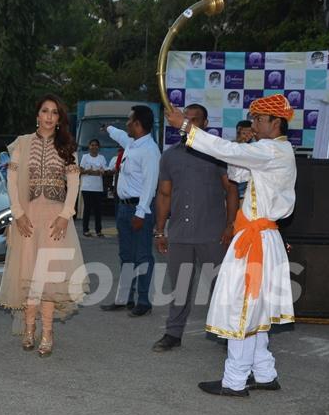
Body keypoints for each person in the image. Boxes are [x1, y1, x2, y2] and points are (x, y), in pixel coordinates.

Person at [165, 93, 297, 397]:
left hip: (256, 240)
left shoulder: (271, 151)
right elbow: (237, 173)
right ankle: (264, 372)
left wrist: (186, 126)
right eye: (252, 118)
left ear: (275, 122)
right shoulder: (269, 151)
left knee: (241, 307)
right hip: (260, 238)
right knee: (256, 311)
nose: (253, 123)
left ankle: (235, 380)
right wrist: (244, 147)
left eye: (258, 119)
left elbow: (224, 150)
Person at [0, 94, 88, 358]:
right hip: (26, 217)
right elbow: (12, 181)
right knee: (28, 275)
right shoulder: (21, 144)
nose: (49, 116)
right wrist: (18, 214)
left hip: (55, 221)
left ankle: (47, 332)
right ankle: (29, 328)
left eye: (54, 113)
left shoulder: (67, 147)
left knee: (49, 279)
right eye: (45, 111)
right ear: (37, 115)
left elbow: (73, 184)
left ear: (59, 119)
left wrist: (65, 215)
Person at [152, 104, 239, 352]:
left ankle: (227, 335)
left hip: (212, 232)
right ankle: (173, 333)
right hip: (179, 233)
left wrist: (230, 224)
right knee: (179, 286)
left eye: (195, 120)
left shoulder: (217, 153)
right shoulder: (169, 156)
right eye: (186, 119)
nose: (188, 123)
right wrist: (160, 230)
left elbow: (231, 189)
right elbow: (164, 194)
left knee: (219, 286)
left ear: (206, 123)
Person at [100, 105, 161, 317]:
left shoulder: (150, 151)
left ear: (137, 124)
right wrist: (108, 128)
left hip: (138, 209)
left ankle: (143, 301)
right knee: (126, 255)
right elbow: (119, 136)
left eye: (128, 121)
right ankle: (125, 298)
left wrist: (141, 213)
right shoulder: (132, 144)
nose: (125, 125)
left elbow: (150, 185)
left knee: (142, 255)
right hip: (124, 208)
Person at [79, 138, 107, 237]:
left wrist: (97, 172)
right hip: (86, 188)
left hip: (97, 188)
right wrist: (88, 171)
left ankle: (98, 230)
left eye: (96, 145)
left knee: (98, 210)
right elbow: (80, 171)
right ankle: (85, 230)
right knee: (87, 209)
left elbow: (103, 171)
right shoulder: (85, 157)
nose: (94, 147)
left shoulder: (102, 158)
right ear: (89, 146)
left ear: (98, 147)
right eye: (92, 145)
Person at [234, 119, 254, 201]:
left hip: (247, 191)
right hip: (231, 188)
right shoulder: (230, 146)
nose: (246, 136)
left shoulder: (256, 148)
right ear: (238, 132)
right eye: (244, 133)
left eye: (249, 133)